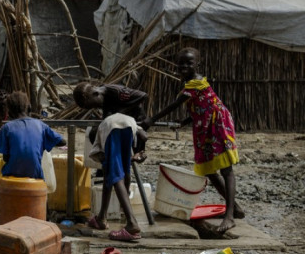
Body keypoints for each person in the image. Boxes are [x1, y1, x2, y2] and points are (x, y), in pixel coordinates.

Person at [149, 47, 242, 234]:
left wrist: (150, 120)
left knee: (226, 169)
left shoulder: (194, 84)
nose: (184, 66)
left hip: (217, 127)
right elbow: (203, 107)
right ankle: (236, 209)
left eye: (189, 63)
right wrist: (184, 121)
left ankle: (230, 216)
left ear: (197, 65)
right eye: (181, 63)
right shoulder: (191, 84)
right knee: (209, 170)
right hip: (205, 127)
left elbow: (175, 104)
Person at [86, 113, 148, 241]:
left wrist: (106, 161)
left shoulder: (102, 133)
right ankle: (101, 217)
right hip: (129, 127)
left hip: (112, 130)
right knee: (118, 171)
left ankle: (132, 224)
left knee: (114, 173)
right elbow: (143, 136)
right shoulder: (129, 122)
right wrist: (140, 152)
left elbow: (103, 159)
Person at [0, 91, 65, 179]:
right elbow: (62, 142)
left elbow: (6, 158)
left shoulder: (7, 128)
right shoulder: (41, 125)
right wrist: (44, 142)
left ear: (9, 111)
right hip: (35, 177)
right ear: (29, 108)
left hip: (12, 177)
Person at [73, 81, 150, 160]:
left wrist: (119, 114)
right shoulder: (103, 99)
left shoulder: (117, 92)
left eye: (93, 105)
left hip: (134, 119)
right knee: (94, 133)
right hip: (120, 121)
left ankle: (130, 156)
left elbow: (143, 96)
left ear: (95, 94)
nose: (95, 108)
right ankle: (108, 159)